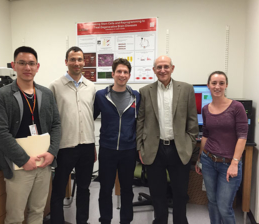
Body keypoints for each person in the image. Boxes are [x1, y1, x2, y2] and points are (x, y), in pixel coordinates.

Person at [0, 46, 61, 224]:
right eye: (22, 63)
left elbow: (56, 125)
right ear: (14, 65)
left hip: (43, 163)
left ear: (38, 66)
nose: (27, 68)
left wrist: (52, 152)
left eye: (31, 63)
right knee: (15, 216)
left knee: (38, 211)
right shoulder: (1, 96)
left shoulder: (46, 94)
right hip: (19, 166)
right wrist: (23, 159)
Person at [137, 55, 198, 224]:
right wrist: (139, 148)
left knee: (180, 193)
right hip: (153, 149)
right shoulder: (145, 91)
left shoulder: (186, 89)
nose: (162, 70)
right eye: (159, 67)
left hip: (178, 148)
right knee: (157, 193)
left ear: (172, 68)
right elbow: (140, 121)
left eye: (166, 66)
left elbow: (192, 121)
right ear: (154, 70)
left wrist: (190, 143)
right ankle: (160, 221)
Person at [49, 46, 96, 224]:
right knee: (59, 189)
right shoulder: (55, 86)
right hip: (64, 147)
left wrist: (93, 146)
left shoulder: (91, 87)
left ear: (84, 62)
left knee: (84, 188)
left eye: (79, 59)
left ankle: (82, 221)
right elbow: (50, 119)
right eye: (73, 59)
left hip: (87, 146)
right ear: (66, 62)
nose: (76, 63)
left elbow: (90, 115)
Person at [195, 71, 248, 224]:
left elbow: (242, 136)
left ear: (226, 85)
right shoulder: (206, 109)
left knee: (225, 207)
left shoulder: (237, 107)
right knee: (212, 202)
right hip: (208, 160)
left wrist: (235, 163)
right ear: (208, 85)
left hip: (229, 163)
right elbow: (205, 134)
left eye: (221, 83)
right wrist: (199, 158)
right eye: (214, 83)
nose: (217, 86)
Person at [94, 58, 140, 224]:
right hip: (107, 149)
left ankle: (125, 221)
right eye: (119, 72)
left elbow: (140, 124)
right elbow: (89, 118)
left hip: (128, 151)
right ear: (113, 74)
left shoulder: (136, 96)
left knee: (127, 189)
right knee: (105, 189)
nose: (122, 75)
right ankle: (105, 219)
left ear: (129, 75)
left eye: (125, 72)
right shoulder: (101, 95)